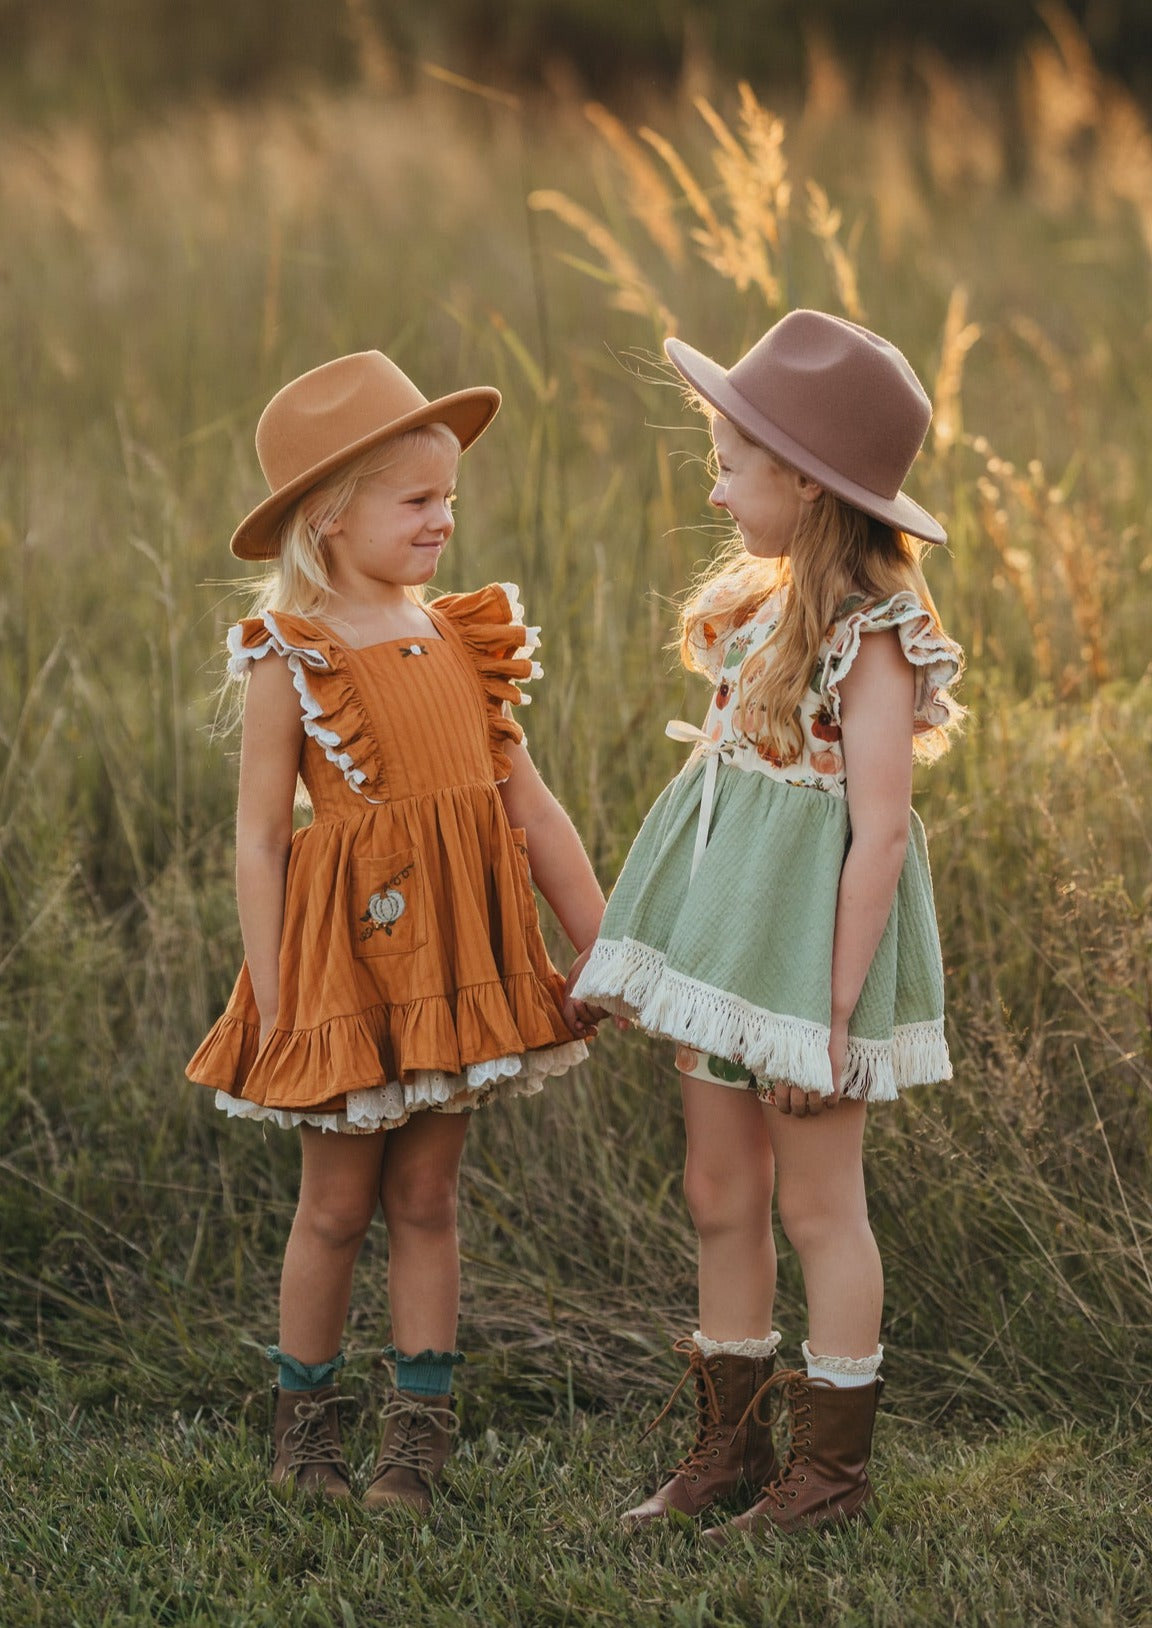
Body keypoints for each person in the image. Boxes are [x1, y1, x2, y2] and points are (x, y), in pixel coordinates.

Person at [187, 350, 605, 1514]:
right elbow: (261, 838)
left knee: (427, 1198)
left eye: (450, 497)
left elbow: (531, 806)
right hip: (345, 970)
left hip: (458, 966)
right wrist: (273, 994)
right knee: (334, 1204)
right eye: (418, 499)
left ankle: (418, 1432)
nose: (445, 518)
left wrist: (603, 938)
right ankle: (305, 1422)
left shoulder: (464, 637)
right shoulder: (291, 654)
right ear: (329, 517)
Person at [571, 309, 965, 1538]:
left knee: (818, 1203)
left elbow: (880, 834)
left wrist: (828, 1014)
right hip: (730, 950)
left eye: (734, 459)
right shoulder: (760, 608)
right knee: (718, 1185)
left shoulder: (875, 638)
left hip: (809, 972)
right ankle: (726, 1447)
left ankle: (831, 1475)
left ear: (805, 478)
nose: (717, 481)